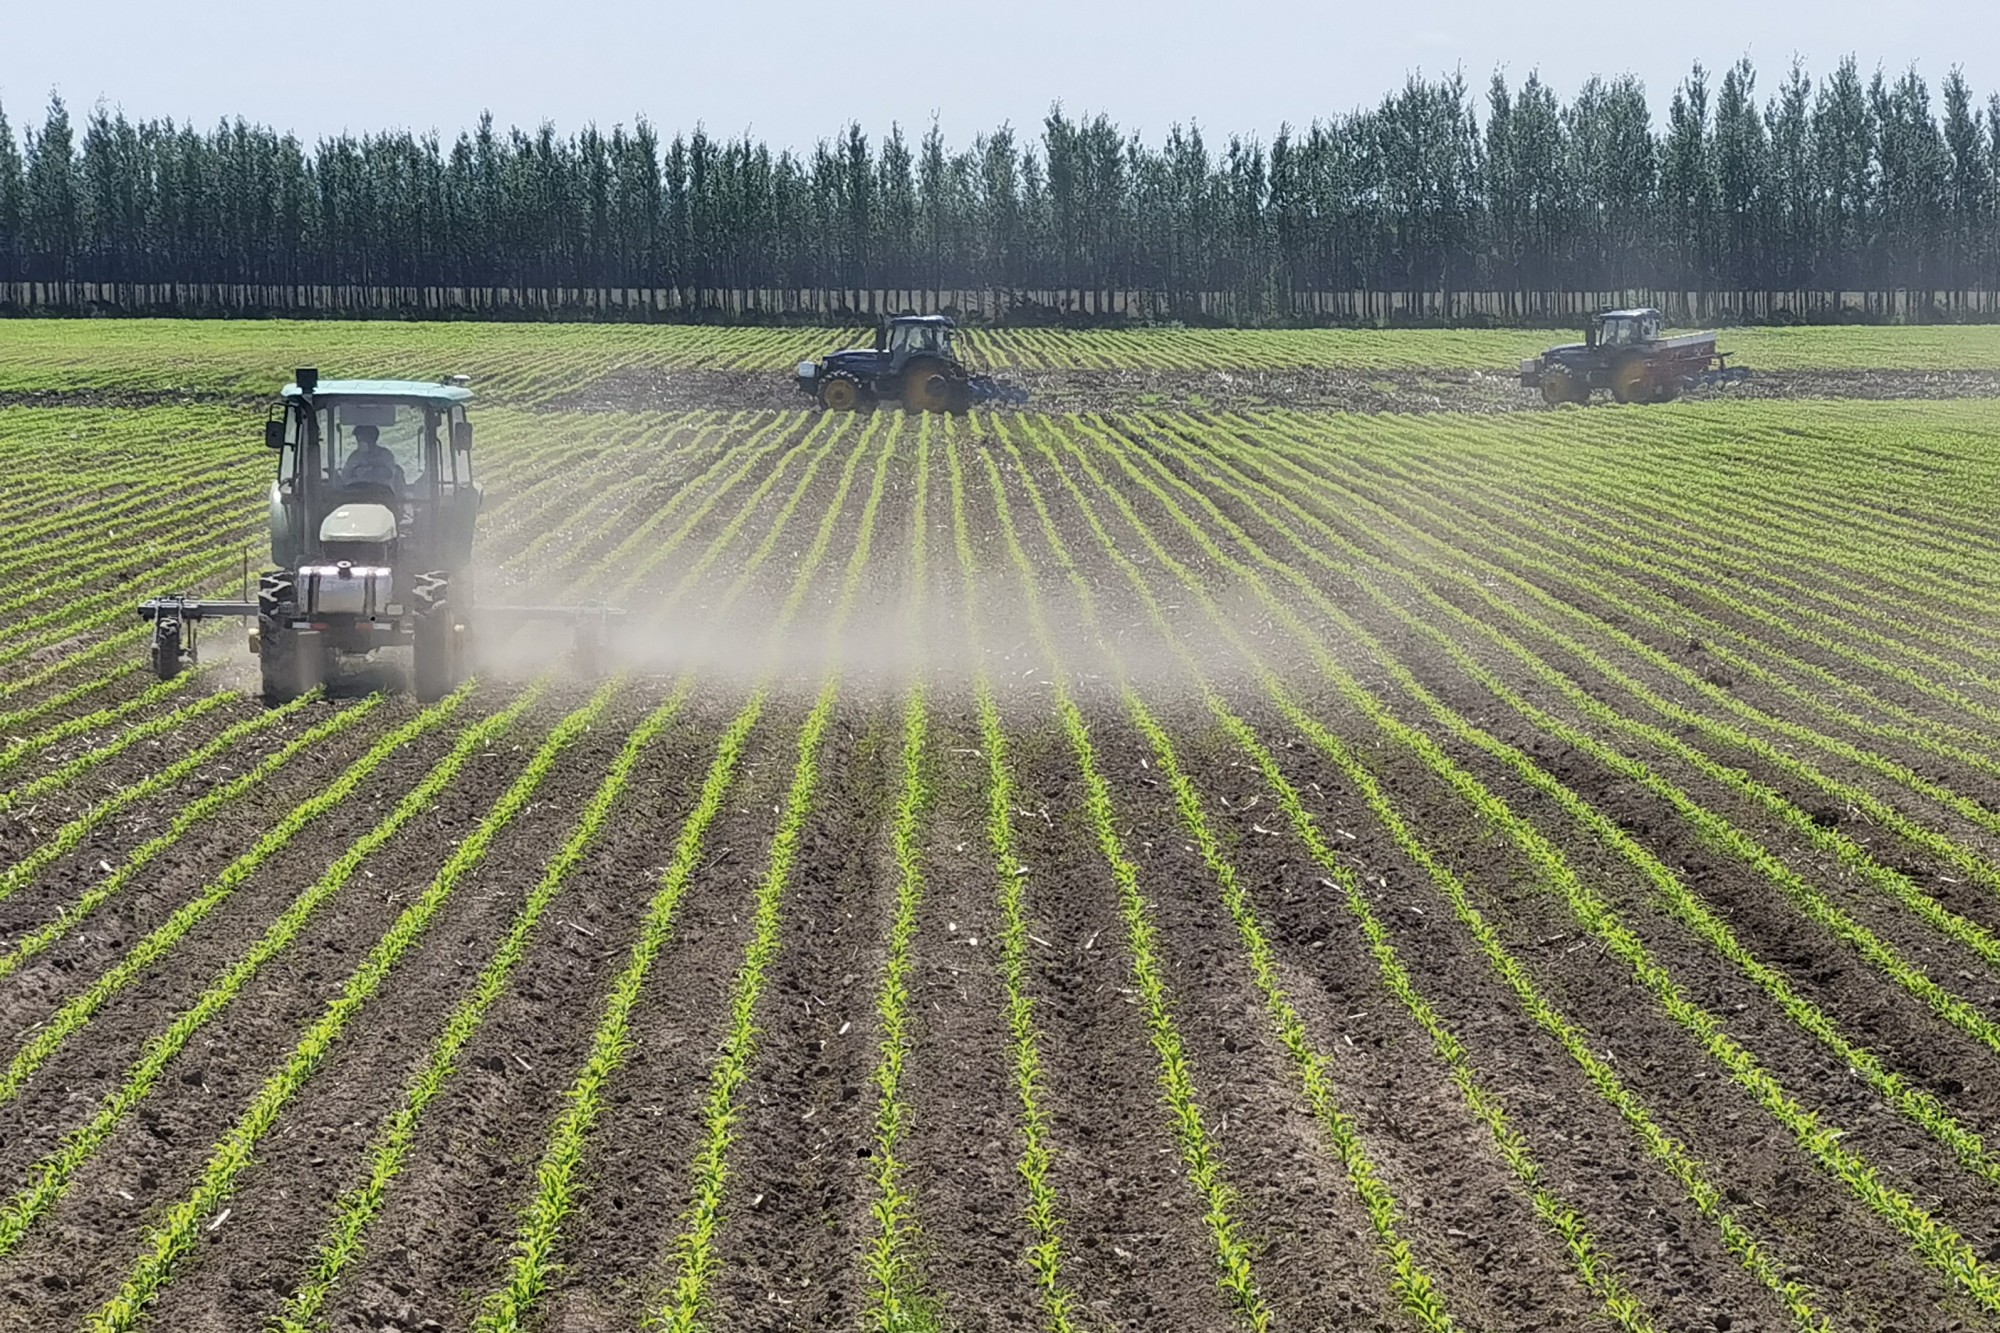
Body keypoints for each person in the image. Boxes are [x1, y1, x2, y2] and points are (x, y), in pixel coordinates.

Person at [340, 424, 406, 496]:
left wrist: (368, 472)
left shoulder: (385, 455)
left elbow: (389, 474)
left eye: (363, 439)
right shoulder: (354, 457)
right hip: (357, 496)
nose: (359, 442)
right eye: (358, 439)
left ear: (373, 439)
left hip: (383, 496)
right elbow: (345, 479)